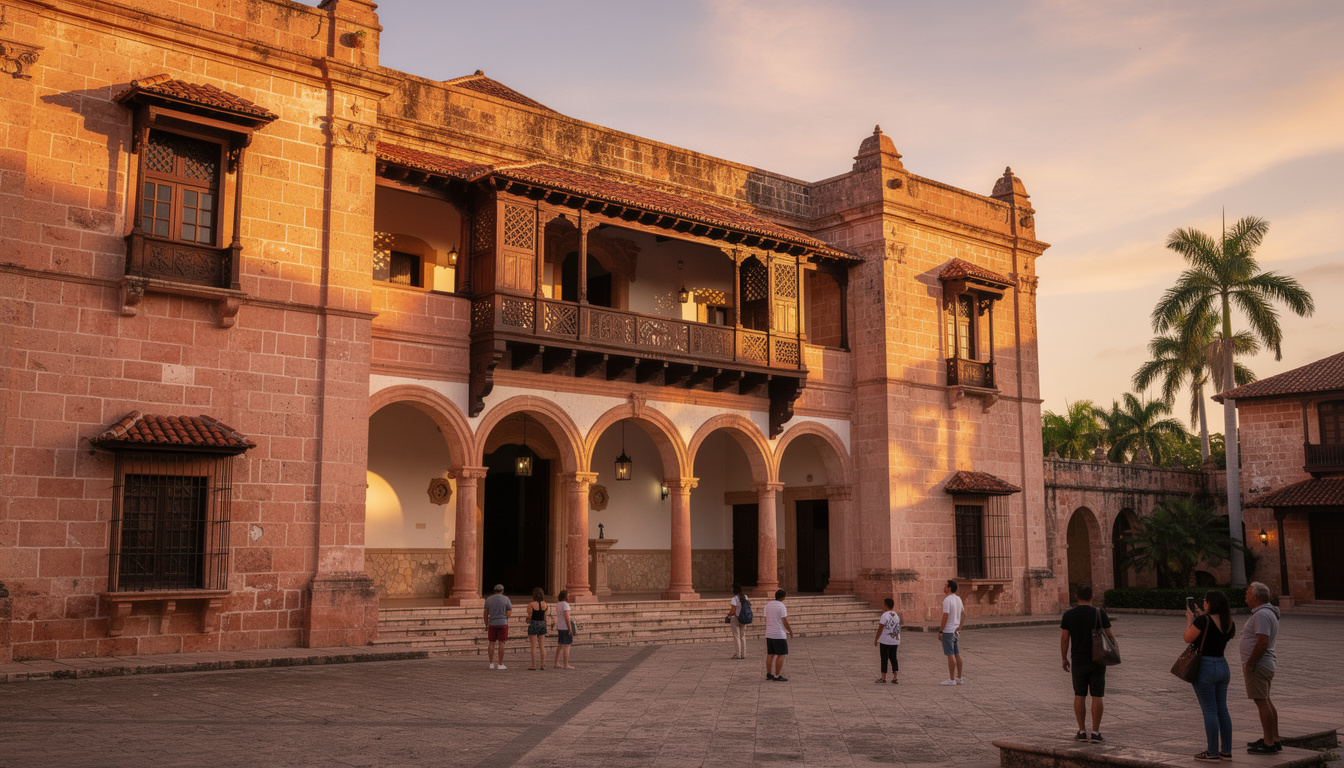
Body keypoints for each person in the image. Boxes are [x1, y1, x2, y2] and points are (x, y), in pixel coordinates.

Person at [1185, 589, 1237, 762]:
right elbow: (1216, 633)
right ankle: (1226, 750)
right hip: (1222, 665)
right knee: (1222, 709)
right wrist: (1202, 616)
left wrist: (1189, 620)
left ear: (1211, 603)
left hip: (1205, 667)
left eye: (1205, 601)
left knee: (1209, 710)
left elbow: (1187, 638)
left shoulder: (1202, 621)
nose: (1204, 603)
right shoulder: (1229, 622)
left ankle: (1212, 751)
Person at [1060, 584, 1113, 742]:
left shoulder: (1069, 615)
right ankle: (1095, 732)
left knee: (1079, 695)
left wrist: (1064, 658)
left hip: (1078, 659)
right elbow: (1110, 636)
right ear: (1093, 597)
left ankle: (1082, 731)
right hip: (1097, 659)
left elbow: (1064, 638)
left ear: (1076, 596)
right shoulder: (1099, 613)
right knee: (1097, 695)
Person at [1241, 582, 1281, 754]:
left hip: (1259, 664)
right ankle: (1274, 738)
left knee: (1262, 701)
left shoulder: (1262, 614)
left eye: (1248, 592)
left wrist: (1251, 662)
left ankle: (1269, 742)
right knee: (1265, 700)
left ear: (1256, 597)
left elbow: (1262, 641)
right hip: (1264, 663)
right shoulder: (1265, 612)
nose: (1246, 594)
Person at [938, 579, 965, 685]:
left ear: (949, 588)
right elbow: (963, 614)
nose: (944, 587)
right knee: (957, 653)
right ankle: (959, 677)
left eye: (945, 585)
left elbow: (945, 616)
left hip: (948, 630)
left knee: (950, 655)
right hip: (955, 631)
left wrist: (941, 630)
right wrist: (960, 626)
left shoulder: (947, 600)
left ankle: (952, 679)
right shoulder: (958, 599)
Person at [764, 589, 794, 681]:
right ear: (783, 597)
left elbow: (766, 617)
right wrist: (790, 631)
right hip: (778, 634)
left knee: (770, 654)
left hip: (769, 633)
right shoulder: (781, 606)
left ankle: (769, 674)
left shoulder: (768, 605)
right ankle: (777, 675)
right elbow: (784, 621)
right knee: (781, 654)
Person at [483, 583, 512, 670]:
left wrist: (486, 623)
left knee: (491, 643)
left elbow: (485, 613)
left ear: (494, 591)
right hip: (502, 623)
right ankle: (500, 663)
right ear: (502, 591)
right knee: (501, 643)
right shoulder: (506, 599)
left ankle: (491, 663)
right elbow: (509, 611)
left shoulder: (488, 599)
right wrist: (506, 619)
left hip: (492, 623)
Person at [873, 597, 901, 684]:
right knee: (893, 658)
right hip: (895, 640)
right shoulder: (896, 615)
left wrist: (876, 639)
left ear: (886, 605)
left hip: (885, 640)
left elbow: (880, 628)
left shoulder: (884, 615)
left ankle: (883, 676)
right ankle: (895, 676)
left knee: (884, 658)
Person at [525, 587, 548, 671]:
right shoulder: (545, 604)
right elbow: (545, 616)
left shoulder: (531, 605)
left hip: (534, 623)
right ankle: (542, 665)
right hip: (542, 623)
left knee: (533, 646)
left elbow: (529, 617)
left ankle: (533, 665)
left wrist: (527, 619)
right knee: (542, 645)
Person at [552, 589, 575, 669]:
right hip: (565, 627)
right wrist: (570, 628)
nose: (569, 596)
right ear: (565, 596)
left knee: (560, 645)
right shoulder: (565, 604)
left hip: (560, 626)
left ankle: (556, 663)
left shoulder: (558, 604)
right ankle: (566, 664)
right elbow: (566, 617)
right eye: (568, 595)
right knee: (567, 646)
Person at [726, 583, 749, 660]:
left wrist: (728, 614)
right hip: (744, 618)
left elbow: (733, 610)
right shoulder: (745, 597)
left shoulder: (734, 598)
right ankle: (743, 654)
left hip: (736, 618)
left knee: (736, 636)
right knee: (742, 636)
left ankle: (738, 654)